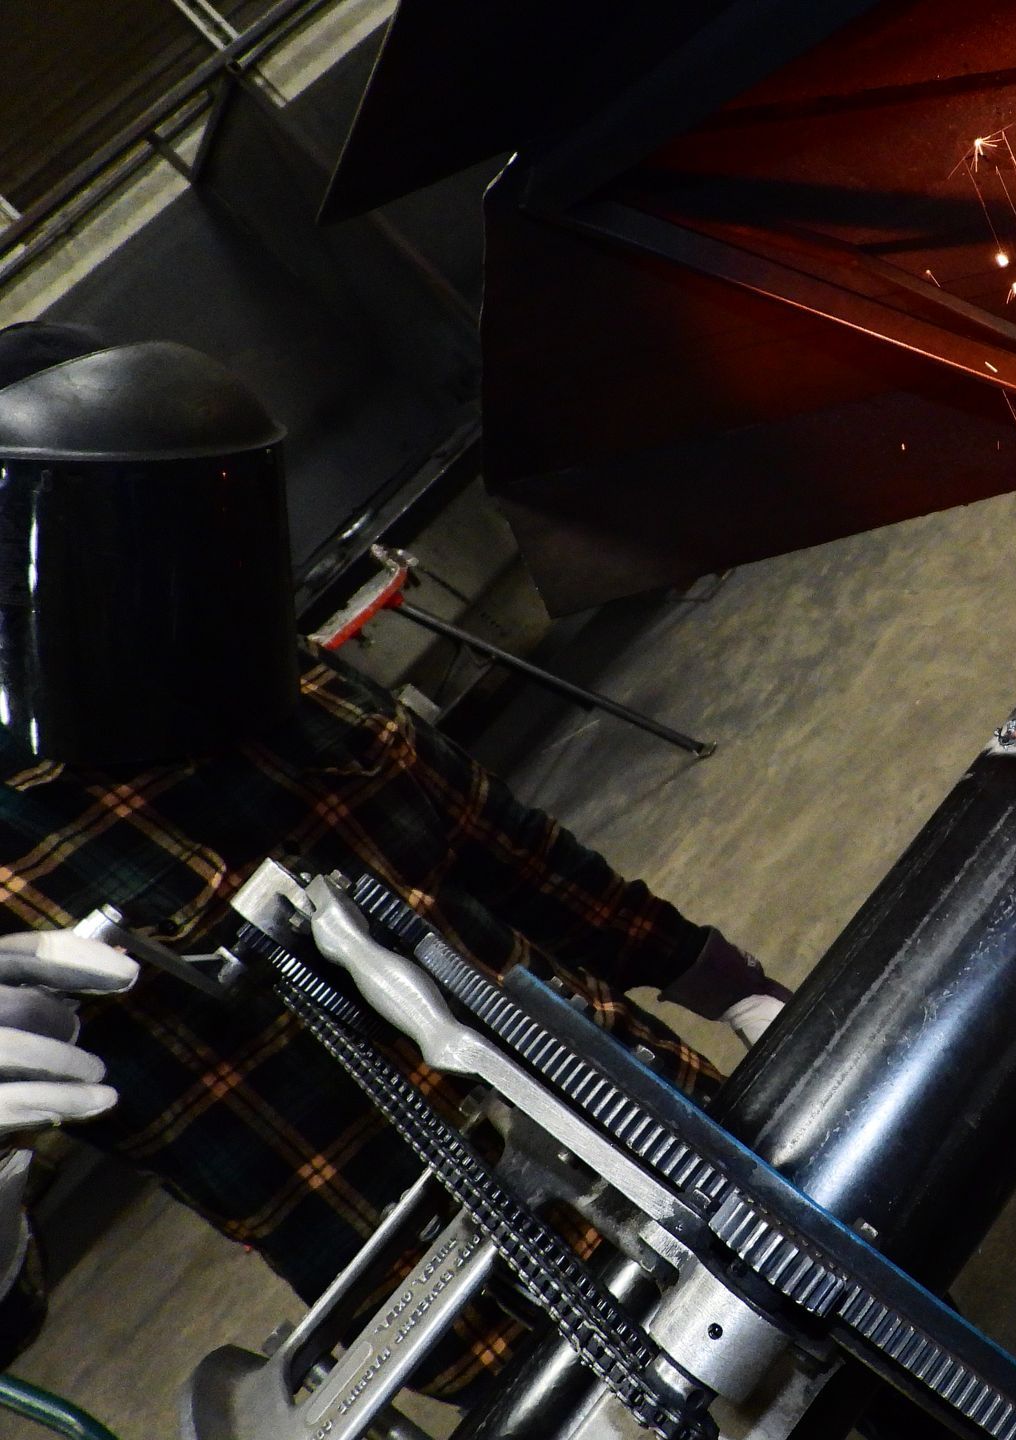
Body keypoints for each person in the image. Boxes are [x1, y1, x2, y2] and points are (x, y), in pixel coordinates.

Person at [0, 325, 785, 1398]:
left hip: (659, 1125)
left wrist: (725, 982)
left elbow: (499, 844)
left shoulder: (243, 662)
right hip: (480, 1312)